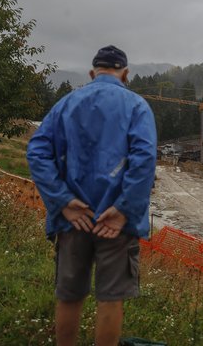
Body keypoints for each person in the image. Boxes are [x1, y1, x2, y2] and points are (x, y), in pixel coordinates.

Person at [27, 45, 157, 346]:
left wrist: (63, 202)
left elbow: (37, 152)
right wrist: (124, 210)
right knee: (111, 298)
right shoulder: (137, 106)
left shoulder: (66, 104)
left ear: (92, 73)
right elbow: (144, 159)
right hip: (116, 224)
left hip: (75, 220)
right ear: (125, 74)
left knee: (69, 294)